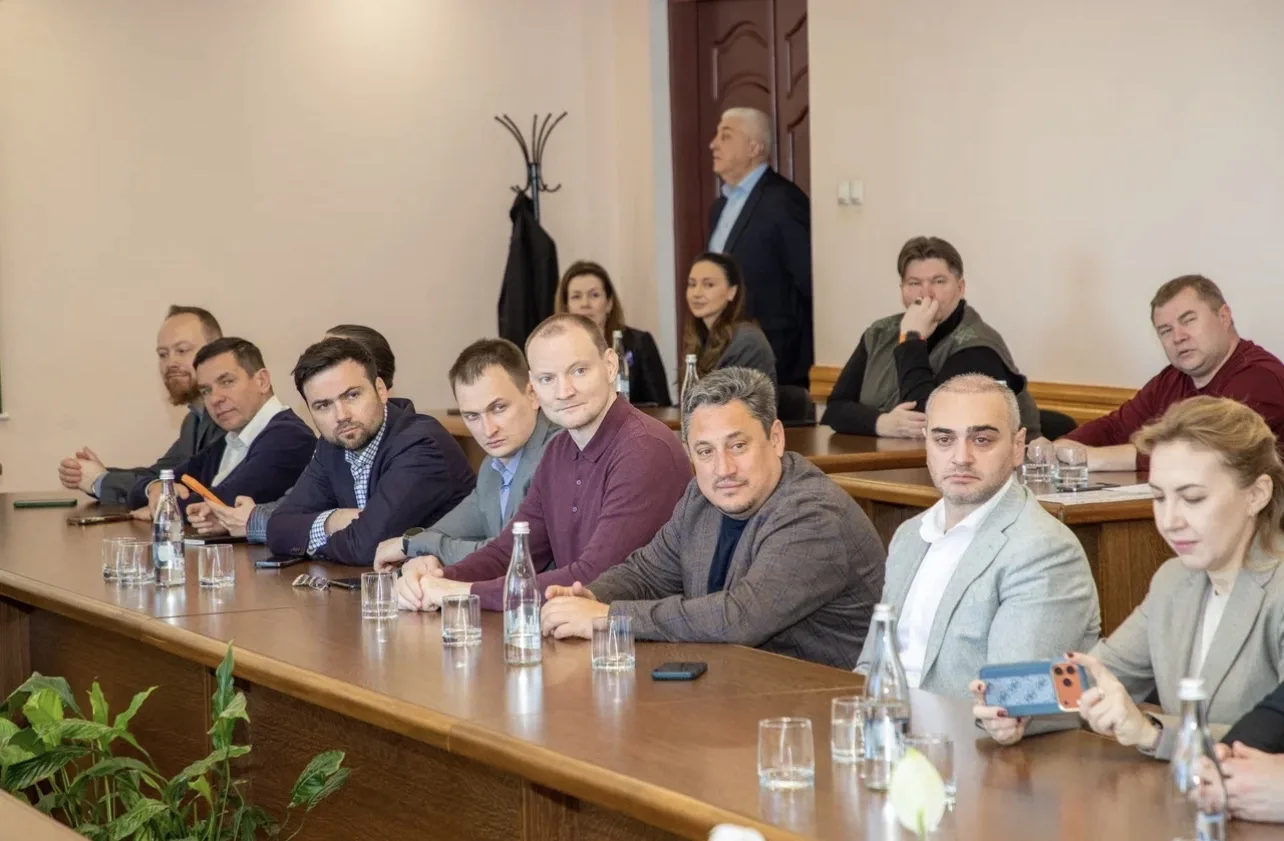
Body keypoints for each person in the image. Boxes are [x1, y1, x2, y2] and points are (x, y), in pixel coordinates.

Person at [974, 396, 1284, 760]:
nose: (1170, 521)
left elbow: (1270, 742)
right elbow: (1095, 678)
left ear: (1256, 495)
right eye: (1159, 498)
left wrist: (1151, 733)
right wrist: (1012, 708)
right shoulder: (1174, 580)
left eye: (1193, 498)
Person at [538, 368, 885, 669]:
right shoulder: (700, 498)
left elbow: (740, 618)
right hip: (739, 687)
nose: (723, 469)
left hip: (825, 704)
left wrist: (608, 617)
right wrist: (590, 598)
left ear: (776, 439)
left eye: (737, 446)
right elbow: (646, 574)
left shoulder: (813, 514)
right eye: (705, 451)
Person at [394, 314, 691, 611]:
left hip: (636, 634)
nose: (564, 392)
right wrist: (433, 580)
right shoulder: (558, 449)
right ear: (534, 386)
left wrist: (459, 591)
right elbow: (510, 552)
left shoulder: (644, 447)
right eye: (548, 379)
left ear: (610, 366)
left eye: (579, 371)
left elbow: (597, 578)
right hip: (574, 627)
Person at [855, 374, 1099, 693]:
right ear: (926, 442)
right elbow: (870, 667)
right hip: (889, 717)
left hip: (969, 725)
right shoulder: (910, 535)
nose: (961, 458)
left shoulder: (1044, 550)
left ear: (1017, 446)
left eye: (981, 440)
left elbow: (1010, 699)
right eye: (944, 440)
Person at [265, 337, 475, 566]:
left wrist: (314, 540)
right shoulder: (331, 447)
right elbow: (278, 529)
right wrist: (334, 520)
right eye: (323, 405)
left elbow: (366, 546)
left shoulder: (422, 444)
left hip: (453, 583)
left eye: (352, 395)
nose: (341, 415)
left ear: (381, 390)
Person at [1040, 275, 1284, 471]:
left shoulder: (1260, 377)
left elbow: (1203, 455)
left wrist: (1090, 458)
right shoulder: (1171, 379)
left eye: (1188, 321)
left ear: (1224, 317)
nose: (1178, 337)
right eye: (1165, 330)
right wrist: (1061, 446)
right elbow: (1115, 428)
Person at [189, 323, 398, 541]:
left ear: (377, 383)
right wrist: (249, 519)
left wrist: (259, 521)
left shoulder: (411, 441)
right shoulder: (331, 445)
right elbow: (294, 507)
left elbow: (371, 529)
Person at [823, 237, 1041, 440]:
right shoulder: (879, 333)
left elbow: (932, 422)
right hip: (884, 459)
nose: (925, 294)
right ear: (902, 290)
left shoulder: (978, 346)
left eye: (938, 281)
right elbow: (834, 409)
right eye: (914, 283)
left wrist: (912, 340)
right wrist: (881, 423)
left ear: (960, 288)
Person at [371, 338, 561, 570]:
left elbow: (513, 556)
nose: (488, 430)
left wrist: (412, 545)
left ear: (532, 394)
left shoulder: (557, 455)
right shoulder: (492, 468)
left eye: (498, 408)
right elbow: (441, 533)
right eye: (472, 416)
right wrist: (419, 551)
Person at [125, 337, 315, 519]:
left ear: (262, 381)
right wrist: (155, 488)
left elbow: (224, 503)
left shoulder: (290, 438)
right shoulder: (229, 440)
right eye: (206, 390)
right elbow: (137, 492)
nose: (215, 399)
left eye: (227, 382)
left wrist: (161, 506)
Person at [57, 305, 224, 506]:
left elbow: (191, 490)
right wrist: (99, 475)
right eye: (163, 354)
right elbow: (160, 475)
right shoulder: (194, 419)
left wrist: (102, 481)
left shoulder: (227, 414)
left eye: (182, 351)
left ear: (216, 352)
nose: (171, 362)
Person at [707, 107, 811, 389]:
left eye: (726, 136)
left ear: (754, 148)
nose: (713, 144)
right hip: (724, 350)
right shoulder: (720, 207)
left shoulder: (784, 201)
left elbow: (807, 283)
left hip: (776, 360)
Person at [556, 260, 670, 406]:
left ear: (609, 303)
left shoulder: (639, 343)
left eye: (594, 295)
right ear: (566, 307)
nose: (585, 304)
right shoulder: (555, 349)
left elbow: (661, 405)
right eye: (576, 297)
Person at [682, 252, 776, 397]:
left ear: (732, 292)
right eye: (692, 284)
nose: (696, 293)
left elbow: (730, 403)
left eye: (709, 285)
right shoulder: (700, 337)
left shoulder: (747, 341)